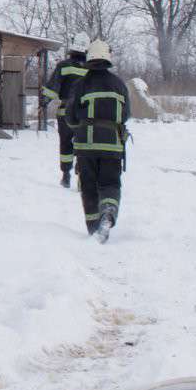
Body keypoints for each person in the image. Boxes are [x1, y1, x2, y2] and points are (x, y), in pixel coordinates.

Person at [71, 39, 131, 242]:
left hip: (86, 146)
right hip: (112, 145)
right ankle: (108, 212)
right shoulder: (119, 85)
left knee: (88, 185)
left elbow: (70, 116)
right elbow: (125, 115)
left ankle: (93, 228)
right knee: (110, 183)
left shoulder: (81, 84)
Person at [42, 35, 90, 188]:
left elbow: (53, 87)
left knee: (65, 144)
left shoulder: (64, 66)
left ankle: (66, 175)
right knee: (83, 145)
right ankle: (82, 174)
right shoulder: (91, 69)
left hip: (65, 112)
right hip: (85, 115)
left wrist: (44, 101)